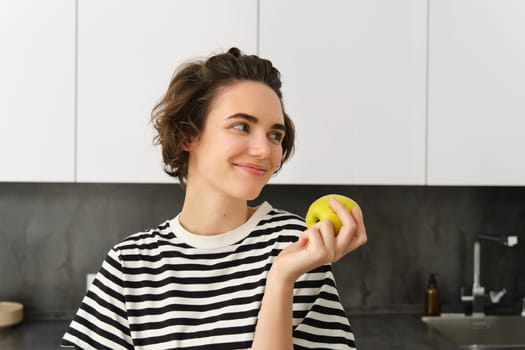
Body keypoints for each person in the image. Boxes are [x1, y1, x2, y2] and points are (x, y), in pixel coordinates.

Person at [61, 47, 367, 349]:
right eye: (241, 126)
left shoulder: (298, 246)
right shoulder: (130, 265)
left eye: (275, 134)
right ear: (188, 135)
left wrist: (281, 280)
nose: (264, 150)